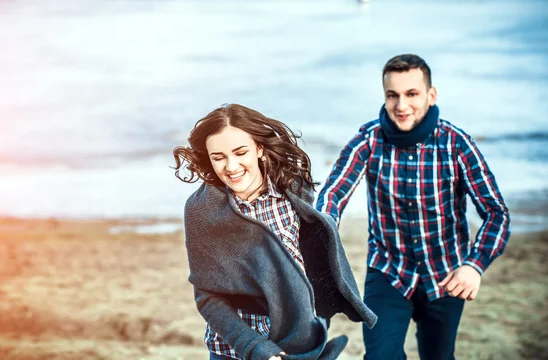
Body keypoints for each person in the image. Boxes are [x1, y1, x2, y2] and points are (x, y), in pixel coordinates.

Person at [316, 54, 511, 360]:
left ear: (431, 96)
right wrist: (322, 237)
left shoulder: (457, 144)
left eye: (411, 94)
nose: (401, 106)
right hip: (388, 272)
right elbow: (333, 194)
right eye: (392, 95)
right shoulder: (368, 140)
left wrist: (474, 265)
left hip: (446, 275)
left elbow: (496, 213)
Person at [173, 104, 377, 360]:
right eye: (219, 157)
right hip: (236, 349)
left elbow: (309, 253)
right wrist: (258, 349)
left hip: (299, 342)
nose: (231, 166)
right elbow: (208, 298)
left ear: (259, 148)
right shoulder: (201, 210)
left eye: (240, 152)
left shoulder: (291, 186)